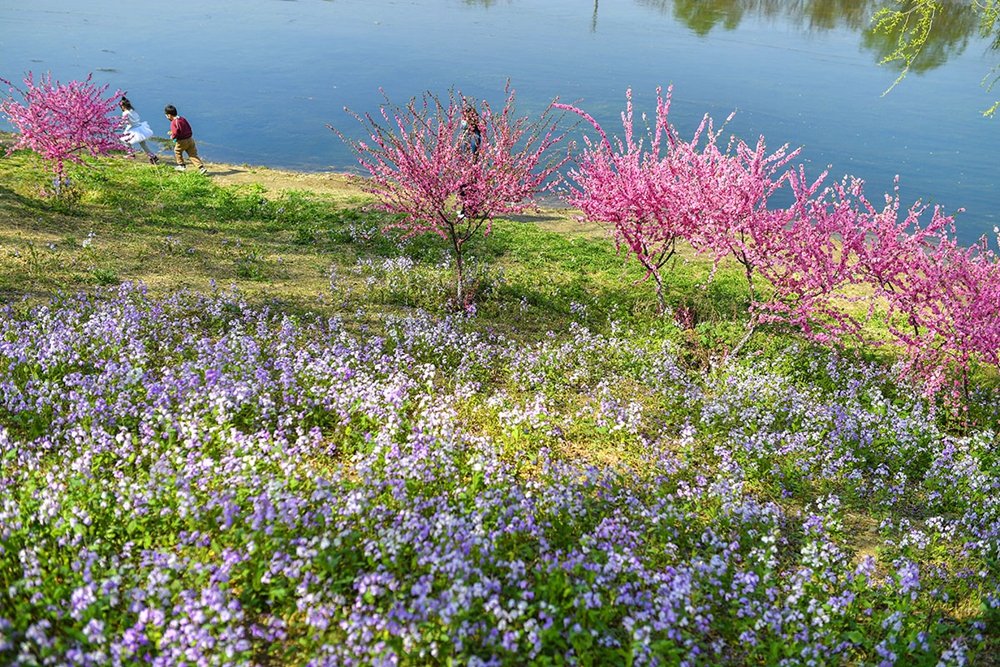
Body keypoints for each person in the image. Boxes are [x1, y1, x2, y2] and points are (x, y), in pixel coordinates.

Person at [164, 104, 208, 174]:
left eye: (166, 115)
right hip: (190, 139)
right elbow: (188, 127)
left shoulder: (174, 123)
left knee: (177, 151)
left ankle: (181, 165)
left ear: (169, 115)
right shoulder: (182, 119)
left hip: (182, 141)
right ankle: (201, 168)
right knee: (193, 154)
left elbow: (175, 133)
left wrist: (172, 137)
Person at [119, 97, 159, 164]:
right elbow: (137, 118)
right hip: (139, 127)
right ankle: (153, 157)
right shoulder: (132, 110)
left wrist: (118, 126)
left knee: (125, 140)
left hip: (133, 128)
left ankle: (131, 154)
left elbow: (123, 122)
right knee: (143, 144)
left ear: (123, 106)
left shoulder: (125, 113)